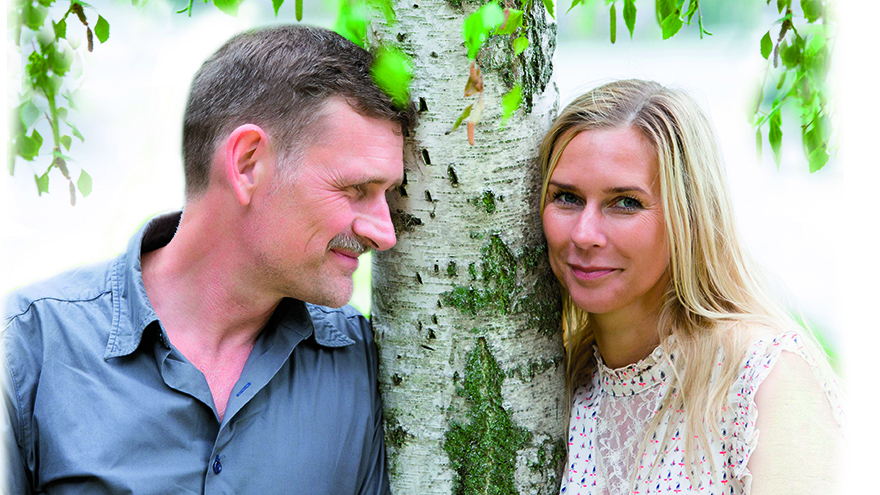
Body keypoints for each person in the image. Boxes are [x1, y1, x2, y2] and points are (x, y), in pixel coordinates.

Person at [2, 25, 414, 494]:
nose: (384, 234)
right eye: (356, 189)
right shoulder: (29, 349)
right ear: (247, 164)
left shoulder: (366, 365)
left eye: (388, 194)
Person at [539, 79, 844, 495]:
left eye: (625, 202)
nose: (584, 234)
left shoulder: (765, 377)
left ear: (688, 215)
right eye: (567, 197)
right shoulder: (558, 378)